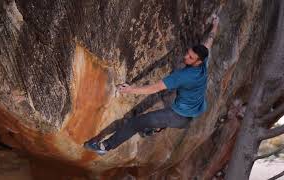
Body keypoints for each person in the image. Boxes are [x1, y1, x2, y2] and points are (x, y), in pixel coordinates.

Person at [84, 15, 220, 155]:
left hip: (177, 116)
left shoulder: (183, 76)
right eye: (188, 53)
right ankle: (154, 127)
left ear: (198, 61)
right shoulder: (203, 62)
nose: (186, 56)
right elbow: (209, 40)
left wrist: (130, 89)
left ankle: (104, 147)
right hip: (191, 113)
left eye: (190, 57)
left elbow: (155, 88)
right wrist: (215, 25)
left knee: (135, 123)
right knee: (157, 121)